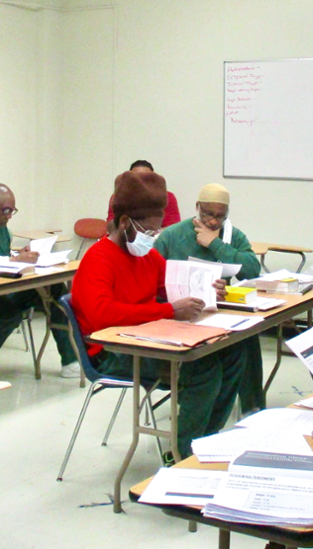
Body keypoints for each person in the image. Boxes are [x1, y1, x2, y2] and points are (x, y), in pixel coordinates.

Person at [72, 169, 244, 459]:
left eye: (157, 231)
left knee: (233, 353)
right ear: (124, 222)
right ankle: (182, 455)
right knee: (202, 369)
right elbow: (102, 315)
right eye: (148, 230)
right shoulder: (97, 259)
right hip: (112, 351)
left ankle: (203, 441)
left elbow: (173, 280)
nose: (153, 237)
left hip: (147, 338)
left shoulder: (144, 255)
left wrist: (206, 288)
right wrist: (168, 310)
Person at [155, 183, 265, 414]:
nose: (213, 222)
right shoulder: (174, 235)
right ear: (197, 208)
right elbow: (151, 278)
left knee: (248, 338)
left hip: (218, 312)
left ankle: (251, 407)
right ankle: (194, 402)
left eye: (220, 216)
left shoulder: (231, 235)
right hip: (180, 315)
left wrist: (215, 244)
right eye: (208, 214)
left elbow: (252, 270)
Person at [0, 183, 78, 379]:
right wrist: (12, 259)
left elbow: (1, 255)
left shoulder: (0, 226)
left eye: (12, 211)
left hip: (4, 286)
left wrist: (18, 254)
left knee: (56, 291)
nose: (9, 215)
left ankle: (69, 360)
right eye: (6, 211)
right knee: (9, 314)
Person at [106, 160, 181, 228]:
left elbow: (173, 228)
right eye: (136, 177)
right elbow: (111, 227)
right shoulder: (118, 197)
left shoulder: (167, 197)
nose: (141, 182)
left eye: (146, 178)